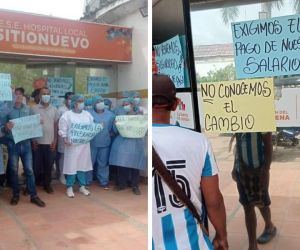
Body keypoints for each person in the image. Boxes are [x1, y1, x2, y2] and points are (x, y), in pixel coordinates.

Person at [152, 74, 228, 250]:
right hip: (192, 243)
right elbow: (214, 200)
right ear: (176, 103)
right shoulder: (199, 142)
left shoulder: (137, 138)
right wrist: (222, 235)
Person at [232, 132, 276, 250]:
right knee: (247, 206)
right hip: (241, 170)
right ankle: (252, 245)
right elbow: (239, 143)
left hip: (258, 172)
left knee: (262, 204)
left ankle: (269, 226)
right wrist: (234, 167)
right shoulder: (238, 117)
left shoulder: (260, 118)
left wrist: (265, 170)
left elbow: (268, 144)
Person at [2, 88, 45, 207]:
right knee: (14, 171)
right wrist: (6, 127)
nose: (18, 97)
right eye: (16, 95)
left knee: (29, 171)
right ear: (12, 97)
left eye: (20, 95)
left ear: (23, 97)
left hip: (26, 144)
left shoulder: (28, 109)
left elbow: (34, 125)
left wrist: (38, 122)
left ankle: (34, 196)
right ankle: (15, 195)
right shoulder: (7, 110)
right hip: (13, 144)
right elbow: (3, 129)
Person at [58, 95, 93, 198]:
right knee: (71, 165)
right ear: (74, 103)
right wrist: (64, 138)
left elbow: (91, 127)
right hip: (72, 145)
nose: (82, 103)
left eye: (83, 101)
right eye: (79, 101)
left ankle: (82, 186)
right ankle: (69, 187)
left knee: (82, 165)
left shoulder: (87, 114)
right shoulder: (67, 115)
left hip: (84, 145)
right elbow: (62, 128)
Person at [109, 97, 145, 195]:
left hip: (136, 144)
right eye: (123, 105)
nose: (125, 106)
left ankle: (135, 186)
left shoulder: (140, 116)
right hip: (123, 143)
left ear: (132, 105)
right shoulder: (121, 117)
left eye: (126, 104)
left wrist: (142, 121)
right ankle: (121, 184)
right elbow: (116, 131)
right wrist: (116, 125)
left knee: (135, 165)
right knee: (121, 164)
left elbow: (144, 130)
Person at [31, 87, 59, 193]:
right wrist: (33, 140)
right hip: (37, 143)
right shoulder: (33, 109)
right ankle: (31, 186)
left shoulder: (54, 109)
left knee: (49, 166)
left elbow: (56, 126)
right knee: (35, 167)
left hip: (50, 143)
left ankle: (47, 184)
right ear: (39, 96)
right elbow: (30, 126)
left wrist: (55, 141)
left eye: (48, 94)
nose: (46, 95)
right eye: (44, 94)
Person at [88, 95, 115, 189]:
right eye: (97, 101)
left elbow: (113, 130)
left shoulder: (110, 115)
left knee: (103, 163)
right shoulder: (88, 114)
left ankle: (104, 181)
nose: (100, 103)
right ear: (93, 104)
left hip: (105, 143)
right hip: (91, 143)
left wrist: (109, 133)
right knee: (89, 162)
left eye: (101, 101)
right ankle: (87, 181)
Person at [57, 91, 74, 184]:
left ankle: (70, 175)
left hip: (74, 138)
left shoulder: (76, 110)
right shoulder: (61, 109)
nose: (71, 100)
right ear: (66, 99)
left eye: (73, 98)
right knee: (63, 157)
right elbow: (56, 123)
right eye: (70, 98)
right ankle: (62, 175)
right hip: (63, 137)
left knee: (72, 157)